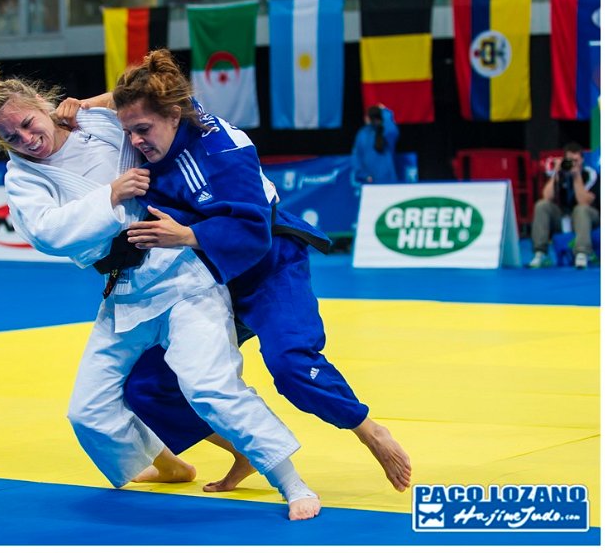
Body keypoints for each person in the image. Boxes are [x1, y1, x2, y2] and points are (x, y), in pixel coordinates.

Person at [0, 50, 321, 521]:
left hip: (183, 273)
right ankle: (167, 465)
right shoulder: (22, 175)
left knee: (208, 384)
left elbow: (147, 100)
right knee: (88, 411)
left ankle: (292, 482)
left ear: (44, 105)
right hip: (124, 287)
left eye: (28, 123)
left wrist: (91, 102)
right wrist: (109, 195)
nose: (27, 140)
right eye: (11, 137)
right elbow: (47, 233)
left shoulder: (99, 123)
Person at [64, 49, 412, 494]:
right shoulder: (166, 109)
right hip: (207, 277)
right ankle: (242, 450)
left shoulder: (225, 150)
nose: (134, 141)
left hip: (269, 265)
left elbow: (253, 231)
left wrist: (186, 234)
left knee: (289, 365)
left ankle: (369, 430)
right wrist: (84, 106)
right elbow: (126, 97)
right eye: (128, 130)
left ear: (173, 115)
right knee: (147, 386)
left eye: (142, 130)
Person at [529, 142, 600, 270]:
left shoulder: (591, 174)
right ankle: (540, 253)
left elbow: (583, 201)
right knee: (541, 205)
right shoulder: (561, 174)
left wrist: (576, 176)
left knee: (581, 209)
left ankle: (581, 253)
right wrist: (556, 174)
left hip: (589, 217)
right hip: (564, 218)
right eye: (569, 161)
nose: (573, 164)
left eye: (576, 160)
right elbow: (546, 196)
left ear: (582, 160)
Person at [351, 104, 400, 184]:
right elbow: (356, 157)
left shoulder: (386, 132)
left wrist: (384, 111)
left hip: (388, 180)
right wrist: (364, 175)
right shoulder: (362, 133)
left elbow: (392, 130)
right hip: (369, 180)